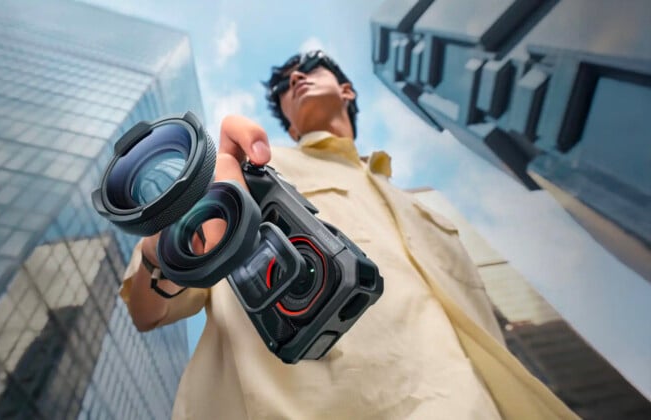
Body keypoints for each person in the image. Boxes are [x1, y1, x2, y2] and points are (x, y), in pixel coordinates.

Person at [120, 50, 576, 419]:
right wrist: (165, 246)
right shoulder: (242, 170)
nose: (295, 78)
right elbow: (146, 312)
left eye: (309, 69)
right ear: (289, 122)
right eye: (283, 86)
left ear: (347, 89)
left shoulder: (423, 206)